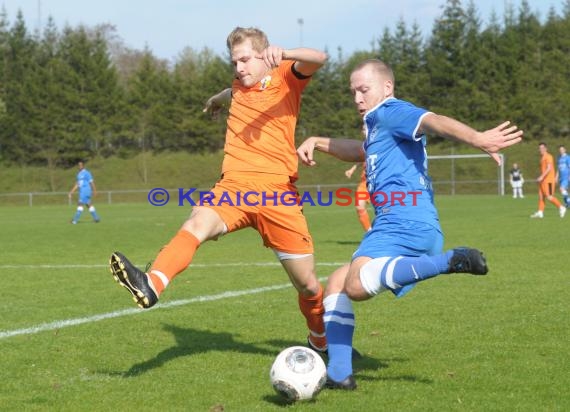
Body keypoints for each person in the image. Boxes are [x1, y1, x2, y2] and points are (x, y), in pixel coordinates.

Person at [297, 59, 523, 390]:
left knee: (356, 286)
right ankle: (339, 374)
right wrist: (317, 140)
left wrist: (478, 138)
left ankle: (450, 260)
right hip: (406, 222)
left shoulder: (391, 111)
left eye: (364, 89)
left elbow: (431, 120)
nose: (357, 98)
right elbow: (358, 151)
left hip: (404, 221)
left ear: (386, 88)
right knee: (336, 284)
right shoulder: (377, 128)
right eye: (353, 92)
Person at [109, 27, 331, 353]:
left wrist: (287, 53)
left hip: (276, 194)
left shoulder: (286, 76)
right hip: (234, 186)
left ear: (264, 54)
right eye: (234, 62)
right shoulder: (239, 87)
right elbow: (233, 92)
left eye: (244, 59)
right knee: (197, 222)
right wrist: (217, 99)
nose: (239, 67)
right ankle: (152, 283)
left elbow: (320, 58)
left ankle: (320, 341)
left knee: (308, 285)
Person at [530, 142, 567, 218]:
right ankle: (540, 212)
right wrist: (541, 178)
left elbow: (549, 168)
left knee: (549, 196)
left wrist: (541, 176)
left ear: (546, 148)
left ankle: (561, 207)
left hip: (549, 181)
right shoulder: (542, 157)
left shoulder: (548, 156)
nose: (541, 149)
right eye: (540, 148)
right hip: (543, 181)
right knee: (541, 196)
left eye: (542, 148)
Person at [344, 162, 371, 231]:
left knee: (385, 209)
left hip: (380, 181)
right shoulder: (366, 151)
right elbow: (361, 159)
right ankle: (369, 231)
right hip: (365, 183)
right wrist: (352, 169)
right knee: (359, 206)